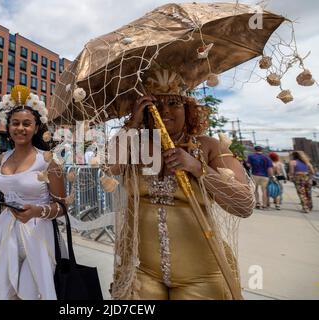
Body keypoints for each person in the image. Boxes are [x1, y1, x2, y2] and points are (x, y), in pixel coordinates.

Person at [108, 65, 255, 300]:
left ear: (188, 109)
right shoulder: (135, 147)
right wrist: (132, 125)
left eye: (174, 103)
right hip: (144, 273)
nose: (164, 110)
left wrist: (197, 167)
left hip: (203, 276)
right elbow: (109, 166)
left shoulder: (208, 147)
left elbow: (244, 205)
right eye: (155, 104)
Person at [0, 85, 67, 300]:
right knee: (2, 291)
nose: (21, 128)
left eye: (27, 124)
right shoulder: (4, 157)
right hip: (5, 232)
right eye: (15, 123)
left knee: (29, 293)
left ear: (37, 128)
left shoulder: (49, 160)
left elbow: (63, 206)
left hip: (38, 235)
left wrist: (38, 210)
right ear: (8, 126)